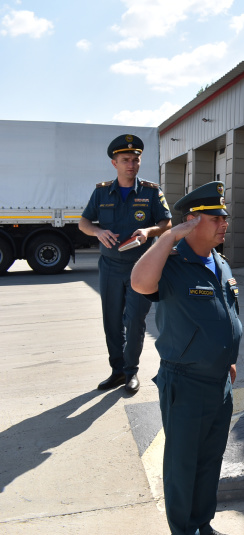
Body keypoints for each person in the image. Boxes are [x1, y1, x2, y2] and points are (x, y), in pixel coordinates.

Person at [131, 181, 241, 535]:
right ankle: (184, 530)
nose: (224, 223)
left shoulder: (220, 263)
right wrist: (167, 238)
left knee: (210, 460)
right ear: (192, 222)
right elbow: (139, 283)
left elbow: (225, 313)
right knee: (183, 464)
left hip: (219, 381)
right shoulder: (175, 263)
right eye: (215, 218)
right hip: (186, 382)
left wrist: (229, 359)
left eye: (224, 217)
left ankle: (201, 524)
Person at [79, 134, 172, 394]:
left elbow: (167, 223)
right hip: (109, 267)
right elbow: (84, 223)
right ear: (114, 163)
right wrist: (97, 232)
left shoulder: (151, 192)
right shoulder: (101, 192)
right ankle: (117, 370)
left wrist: (148, 231)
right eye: (125, 160)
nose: (131, 164)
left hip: (141, 266)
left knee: (134, 321)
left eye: (135, 159)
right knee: (111, 321)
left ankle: (131, 372)